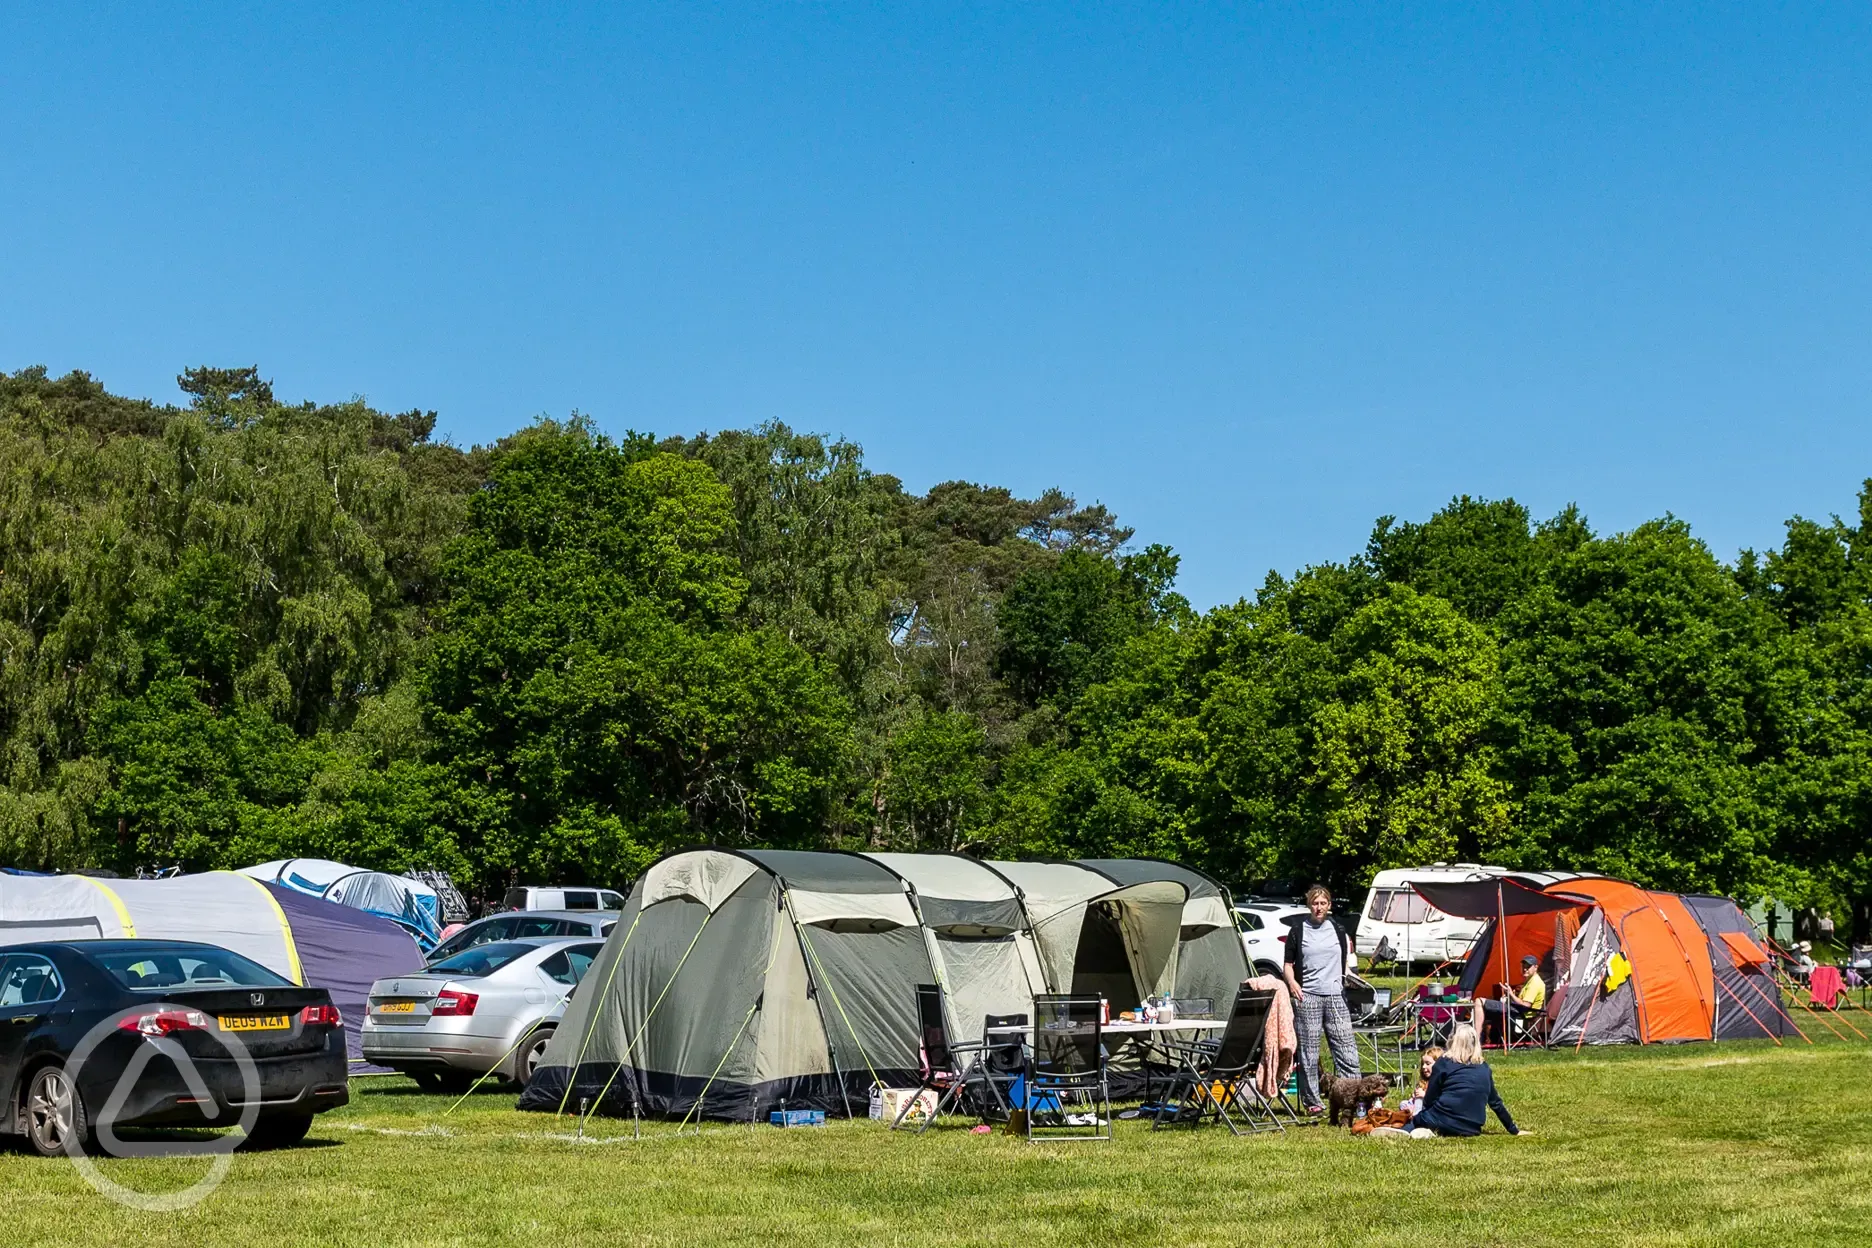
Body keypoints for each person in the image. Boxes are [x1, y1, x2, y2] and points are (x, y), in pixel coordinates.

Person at [1282, 884, 1360, 1114]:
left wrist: (1351, 980)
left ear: (1329, 905)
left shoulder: (1338, 929)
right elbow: (1287, 965)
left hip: (1336, 996)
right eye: (1315, 903)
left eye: (1323, 903)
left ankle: (1353, 1094)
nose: (1319, 907)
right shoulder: (1298, 930)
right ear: (1309, 905)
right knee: (1309, 1052)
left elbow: (1345, 962)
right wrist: (1293, 983)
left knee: (1346, 1048)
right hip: (1309, 996)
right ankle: (1312, 1101)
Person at [1408, 1023, 1526, 1137]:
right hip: (1471, 1128)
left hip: (1440, 1120)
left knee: (1414, 1121)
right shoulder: (1484, 1067)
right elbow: (1495, 1103)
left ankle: (1408, 1130)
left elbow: (1429, 1100)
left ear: (1452, 1041)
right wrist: (1513, 1129)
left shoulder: (1443, 1063)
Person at [1479, 953, 1546, 1043]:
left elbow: (1526, 1005)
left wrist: (1511, 994)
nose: (1525, 969)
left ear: (1536, 967)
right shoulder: (1529, 981)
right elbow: (1522, 1001)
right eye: (1523, 966)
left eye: (1528, 967)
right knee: (1490, 1011)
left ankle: (1478, 1039)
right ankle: (1491, 1039)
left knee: (1479, 1002)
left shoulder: (1535, 983)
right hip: (1520, 1010)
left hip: (1524, 1013)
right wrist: (1510, 997)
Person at [1398, 1045, 1444, 1119]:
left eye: (1428, 1064)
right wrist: (1414, 1096)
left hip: (1430, 1110)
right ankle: (1407, 1116)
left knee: (1420, 1101)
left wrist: (1424, 1095)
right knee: (1403, 1103)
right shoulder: (1424, 1081)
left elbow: (1439, 1100)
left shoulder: (1441, 1082)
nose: (1423, 1067)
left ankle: (1415, 1119)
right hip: (1418, 1106)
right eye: (1423, 1064)